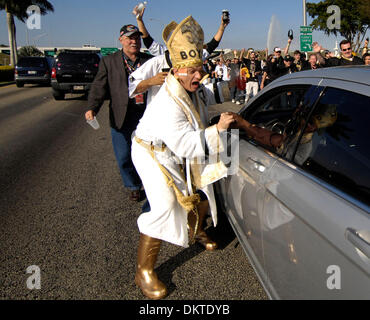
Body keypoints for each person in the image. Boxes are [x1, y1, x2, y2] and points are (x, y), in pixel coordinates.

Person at [131, 16, 236, 300]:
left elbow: (201, 121)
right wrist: (220, 131)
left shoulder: (195, 89)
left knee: (200, 193)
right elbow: (190, 144)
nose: (196, 76)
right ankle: (144, 271)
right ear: (175, 70)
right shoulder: (167, 102)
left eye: (199, 69)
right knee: (166, 205)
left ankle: (198, 231)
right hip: (151, 152)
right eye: (190, 71)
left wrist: (228, 125)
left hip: (174, 149)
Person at [85, 25, 152, 202]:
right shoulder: (110, 61)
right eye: (130, 38)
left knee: (151, 154)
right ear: (121, 40)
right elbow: (99, 86)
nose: (134, 41)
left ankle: (151, 184)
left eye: (137, 38)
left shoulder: (149, 60)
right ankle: (133, 186)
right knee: (123, 155)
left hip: (146, 116)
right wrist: (92, 107)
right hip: (121, 116)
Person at [129, 9, 229, 105]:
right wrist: (150, 81)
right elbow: (131, 86)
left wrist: (222, 28)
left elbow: (211, 46)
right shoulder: (158, 61)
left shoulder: (192, 56)